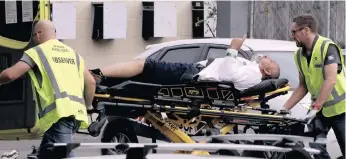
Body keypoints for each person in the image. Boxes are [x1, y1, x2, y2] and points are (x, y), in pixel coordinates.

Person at [0, 20, 96, 158]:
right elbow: (91, 82)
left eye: (33, 36)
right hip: (76, 115)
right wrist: (88, 106)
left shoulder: (37, 52)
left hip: (59, 115)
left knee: (64, 154)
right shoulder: (73, 54)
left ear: (38, 34)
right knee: (45, 154)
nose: (34, 39)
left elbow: (10, 74)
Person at [90, 37, 280, 91]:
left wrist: (232, 49)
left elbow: (229, 74)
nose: (266, 57)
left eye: (269, 60)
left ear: (268, 70)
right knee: (143, 74)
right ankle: (102, 82)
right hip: (198, 71)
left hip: (197, 74)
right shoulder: (252, 70)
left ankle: (96, 74)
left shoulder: (254, 74)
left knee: (144, 65)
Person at [281, 14, 345, 159]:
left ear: (306, 30)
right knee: (316, 148)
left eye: (294, 32)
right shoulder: (299, 55)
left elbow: (330, 81)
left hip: (341, 109)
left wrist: (315, 108)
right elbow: (303, 87)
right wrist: (284, 108)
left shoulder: (327, 47)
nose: (291, 36)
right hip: (320, 110)